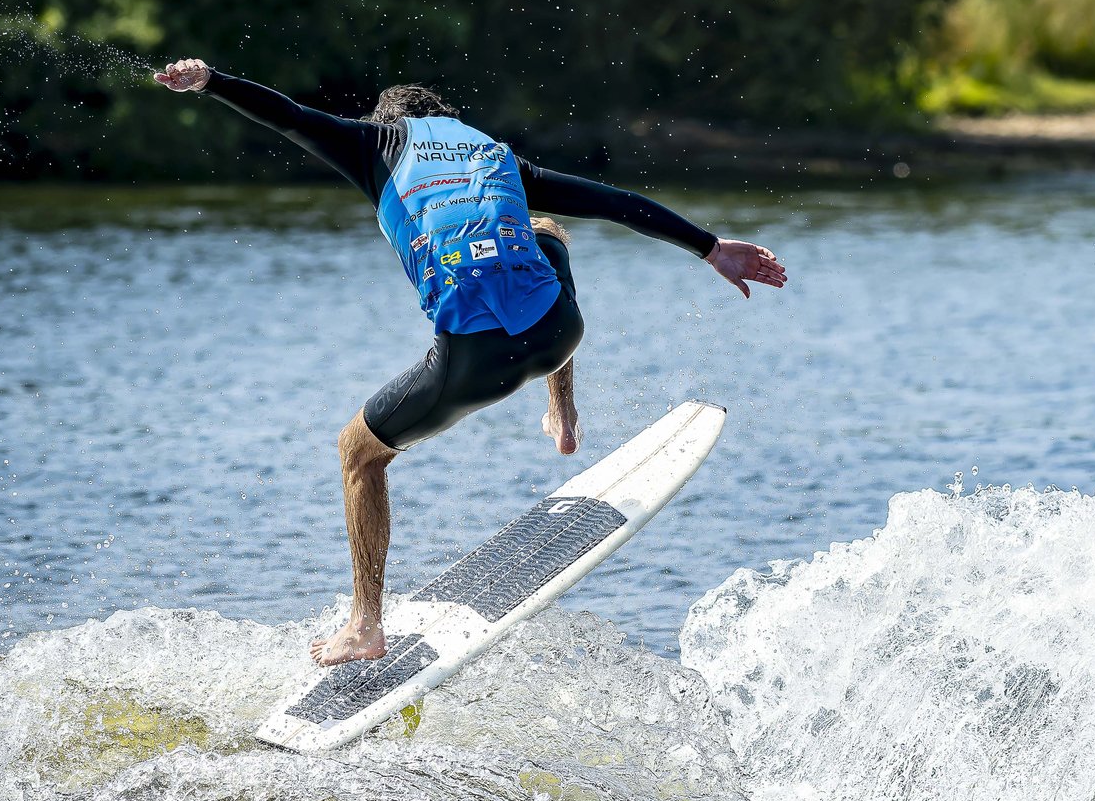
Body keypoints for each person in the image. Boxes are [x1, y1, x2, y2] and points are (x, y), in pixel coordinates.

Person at [152, 58, 786, 665]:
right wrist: (710, 247)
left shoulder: (375, 145)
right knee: (551, 234)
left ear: (386, 125)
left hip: (476, 361)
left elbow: (288, 116)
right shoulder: (493, 156)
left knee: (359, 452)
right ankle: (562, 411)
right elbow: (613, 201)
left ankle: (364, 625)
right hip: (560, 331)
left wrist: (212, 82)